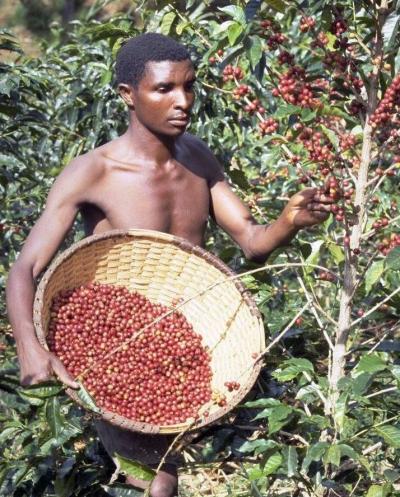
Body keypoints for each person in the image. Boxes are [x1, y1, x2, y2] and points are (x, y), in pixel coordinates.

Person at [6, 33, 335, 497]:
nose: (182, 101)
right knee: (159, 486)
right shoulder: (93, 172)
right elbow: (25, 269)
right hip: (107, 354)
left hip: (186, 343)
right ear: (128, 96)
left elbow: (252, 243)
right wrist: (29, 347)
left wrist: (288, 222)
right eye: (164, 89)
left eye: (190, 87)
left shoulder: (197, 159)